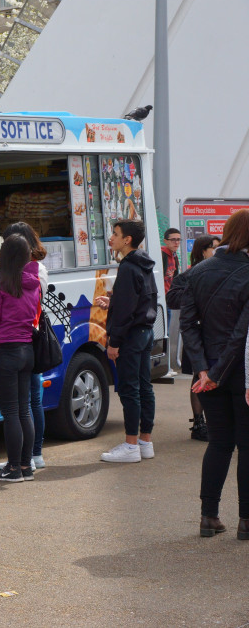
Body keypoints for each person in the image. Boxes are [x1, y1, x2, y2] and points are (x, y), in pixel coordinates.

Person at [179, 209, 249, 539]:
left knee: (219, 443)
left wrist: (204, 369)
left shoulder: (198, 272)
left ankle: (209, 516)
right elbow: (241, 332)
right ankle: (246, 522)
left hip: (208, 372)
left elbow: (188, 325)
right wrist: (218, 371)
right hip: (242, 372)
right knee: (246, 446)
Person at [0, 223, 50, 471]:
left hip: (4, 352)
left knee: (11, 413)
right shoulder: (34, 282)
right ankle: (26, 466)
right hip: (26, 350)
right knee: (24, 411)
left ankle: (14, 469)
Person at [94, 219, 158, 463]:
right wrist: (115, 301)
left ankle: (131, 445)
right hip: (144, 332)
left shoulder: (129, 267)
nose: (111, 237)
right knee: (144, 387)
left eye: (115, 233)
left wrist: (114, 342)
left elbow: (125, 312)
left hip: (131, 336)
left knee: (130, 390)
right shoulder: (144, 263)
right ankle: (144, 441)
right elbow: (142, 300)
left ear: (127, 239)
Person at [167, 234, 219, 441]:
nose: (217, 251)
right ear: (203, 251)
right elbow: (172, 299)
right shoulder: (188, 275)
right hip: (196, 333)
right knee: (199, 376)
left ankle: (218, 421)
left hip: (219, 333)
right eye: (214, 247)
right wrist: (197, 293)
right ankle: (199, 423)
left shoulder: (224, 271)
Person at [161, 227, 182, 377]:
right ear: (165, 241)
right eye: (173, 239)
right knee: (164, 334)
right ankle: (164, 368)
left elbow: (176, 277)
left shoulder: (174, 256)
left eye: (178, 239)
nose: (176, 242)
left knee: (167, 333)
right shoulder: (162, 254)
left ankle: (166, 367)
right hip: (160, 301)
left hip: (169, 298)